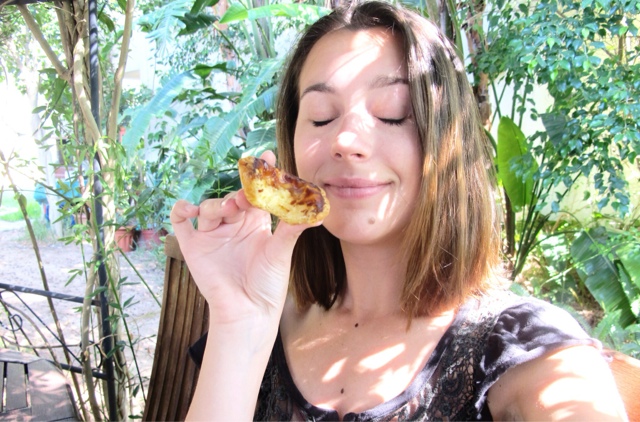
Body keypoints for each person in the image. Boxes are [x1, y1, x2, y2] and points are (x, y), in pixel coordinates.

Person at [171, 1, 628, 420]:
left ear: (449, 139)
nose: (345, 140)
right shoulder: (264, 327)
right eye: (321, 116)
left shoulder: (529, 349)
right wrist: (241, 323)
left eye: (392, 112)